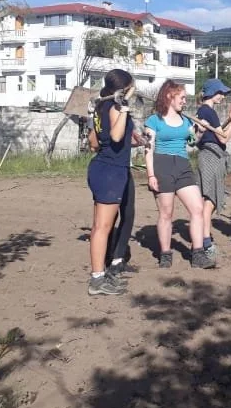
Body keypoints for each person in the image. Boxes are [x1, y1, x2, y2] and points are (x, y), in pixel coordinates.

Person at [144, 80, 214, 269]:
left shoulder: (187, 120)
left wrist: (200, 131)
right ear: (170, 96)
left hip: (182, 165)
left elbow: (191, 144)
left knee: (197, 209)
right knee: (167, 213)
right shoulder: (154, 121)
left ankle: (198, 254)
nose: (185, 101)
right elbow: (148, 150)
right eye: (182, 97)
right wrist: (151, 175)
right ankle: (166, 254)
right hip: (162, 165)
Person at [84, 69, 136, 296]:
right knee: (102, 227)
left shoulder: (100, 107)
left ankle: (100, 276)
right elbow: (115, 136)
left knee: (100, 226)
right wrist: (124, 108)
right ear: (124, 88)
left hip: (105, 167)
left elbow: (95, 143)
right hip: (110, 172)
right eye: (132, 86)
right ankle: (97, 280)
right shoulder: (115, 107)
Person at [87, 121, 147, 282]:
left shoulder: (124, 115)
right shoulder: (105, 112)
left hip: (124, 170)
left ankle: (117, 259)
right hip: (110, 170)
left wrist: (139, 141)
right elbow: (94, 143)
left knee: (128, 214)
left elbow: (127, 140)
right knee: (106, 222)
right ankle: (103, 265)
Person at [195, 78, 231, 258]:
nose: (222, 96)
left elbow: (215, 132)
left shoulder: (206, 111)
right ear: (211, 93)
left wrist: (229, 120)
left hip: (209, 154)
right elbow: (222, 138)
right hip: (211, 155)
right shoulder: (207, 111)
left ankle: (205, 237)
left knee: (209, 199)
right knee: (210, 199)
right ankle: (205, 240)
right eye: (220, 92)